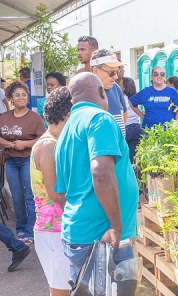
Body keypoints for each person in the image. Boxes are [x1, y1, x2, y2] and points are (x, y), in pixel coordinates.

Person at [54, 72, 138, 284]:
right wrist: (116, 226)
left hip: (78, 235)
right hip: (103, 238)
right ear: (102, 92)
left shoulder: (65, 133)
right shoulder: (99, 119)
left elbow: (62, 195)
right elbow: (100, 173)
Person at [31, 87, 72, 295]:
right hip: (53, 231)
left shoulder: (55, 143)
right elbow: (56, 194)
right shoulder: (48, 145)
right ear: (67, 115)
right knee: (60, 292)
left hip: (55, 230)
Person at [0, 81, 46, 245]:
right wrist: (12, 145)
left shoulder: (35, 118)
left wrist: (25, 144)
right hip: (11, 161)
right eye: (17, 95)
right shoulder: (4, 117)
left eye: (24, 95)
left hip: (28, 160)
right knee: (17, 197)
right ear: (11, 98)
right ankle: (20, 229)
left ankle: (30, 231)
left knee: (29, 196)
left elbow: (42, 138)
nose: (21, 98)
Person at [91, 49, 127, 136]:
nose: (116, 76)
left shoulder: (115, 87)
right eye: (111, 73)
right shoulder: (86, 92)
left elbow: (124, 112)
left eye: (117, 71)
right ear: (96, 71)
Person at [119, 77, 142, 163]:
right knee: (134, 156)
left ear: (124, 87)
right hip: (137, 127)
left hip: (126, 127)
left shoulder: (122, 98)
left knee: (123, 155)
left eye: (121, 85)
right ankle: (135, 174)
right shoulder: (136, 98)